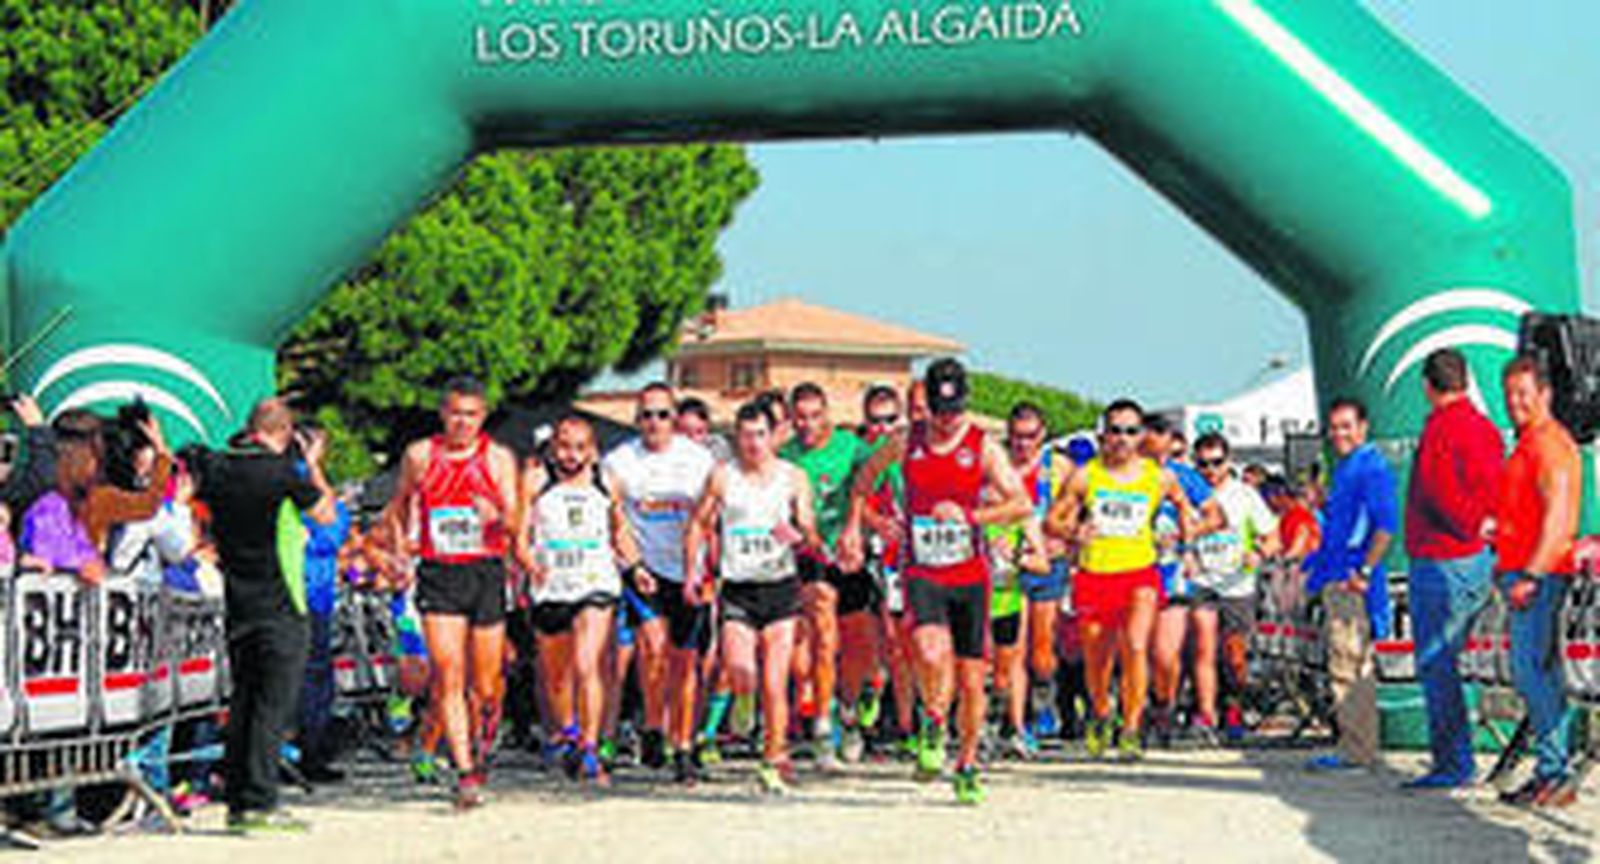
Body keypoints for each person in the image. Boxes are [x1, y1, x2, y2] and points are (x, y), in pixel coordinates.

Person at [841, 358, 1031, 805]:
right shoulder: (905, 441)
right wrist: (861, 523)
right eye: (939, 411)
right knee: (927, 649)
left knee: (970, 678)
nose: (947, 421)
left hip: (970, 575)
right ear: (927, 404)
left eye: (954, 411)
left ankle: (966, 763)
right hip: (922, 568)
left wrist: (971, 516)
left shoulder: (983, 447)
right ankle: (932, 719)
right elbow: (862, 484)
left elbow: (1020, 503)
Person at [192, 397, 336, 833]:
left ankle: (238, 803)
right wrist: (311, 464)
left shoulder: (219, 469)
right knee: (273, 707)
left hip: (239, 601)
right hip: (282, 602)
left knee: (244, 703)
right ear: (288, 434)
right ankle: (260, 803)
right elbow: (326, 515)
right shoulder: (282, 475)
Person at [384, 376, 519, 808]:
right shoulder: (420, 454)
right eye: (455, 413)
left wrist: (495, 514)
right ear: (443, 414)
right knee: (448, 673)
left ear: (483, 417)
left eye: (472, 415)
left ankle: (473, 743)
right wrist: (402, 543)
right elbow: (400, 502)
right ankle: (464, 772)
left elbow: (517, 522)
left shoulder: (497, 459)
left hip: (484, 572)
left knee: (486, 684)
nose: (463, 422)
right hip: (440, 573)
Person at [1046, 399, 1198, 762]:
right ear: (1103, 434)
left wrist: (1185, 542)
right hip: (1096, 574)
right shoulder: (1086, 475)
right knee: (1097, 661)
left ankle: (1131, 728)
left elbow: (1185, 506)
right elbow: (1052, 521)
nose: (1122, 438)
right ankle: (1100, 713)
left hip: (1140, 573)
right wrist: (1074, 531)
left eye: (1131, 431)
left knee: (1135, 646)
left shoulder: (1158, 475)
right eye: (1115, 430)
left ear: (1142, 436)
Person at [686, 401, 820, 793]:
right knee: (742, 671)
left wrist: (799, 537)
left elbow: (810, 530)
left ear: (773, 435)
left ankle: (772, 758)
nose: (753, 443)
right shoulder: (723, 477)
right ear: (736, 438)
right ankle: (743, 701)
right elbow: (698, 524)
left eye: (760, 434)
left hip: (780, 588)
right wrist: (693, 571)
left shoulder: (793, 477)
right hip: (739, 590)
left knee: (776, 682)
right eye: (745, 435)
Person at [518, 415, 641, 787]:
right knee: (556, 677)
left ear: (592, 450)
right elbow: (518, 534)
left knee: (588, 664)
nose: (570, 455)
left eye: (578, 447)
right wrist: (528, 564)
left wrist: (636, 568)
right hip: (552, 586)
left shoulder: (607, 483)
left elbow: (621, 533)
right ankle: (569, 731)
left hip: (596, 583)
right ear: (554, 447)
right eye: (564, 446)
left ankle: (590, 747)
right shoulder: (536, 482)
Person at [602, 383, 716, 783]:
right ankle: (653, 725)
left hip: (690, 572)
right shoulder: (620, 460)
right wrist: (633, 566)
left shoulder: (699, 460)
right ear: (637, 420)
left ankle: (683, 745)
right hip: (645, 570)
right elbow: (614, 518)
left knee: (685, 664)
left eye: (663, 415)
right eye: (646, 415)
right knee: (652, 650)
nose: (655, 423)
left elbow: (713, 518)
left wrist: (708, 571)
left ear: (674, 418)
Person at [1403, 348, 1503, 790]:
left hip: (1442, 557)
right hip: (1478, 556)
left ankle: (1453, 762)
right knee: (1461, 659)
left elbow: (1439, 492)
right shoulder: (1484, 428)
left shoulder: (1439, 429)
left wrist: (1467, 524)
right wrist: (1484, 527)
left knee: (1437, 662)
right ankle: (1466, 754)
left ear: (1427, 387)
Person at [1494, 355, 1581, 807]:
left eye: (1523, 393)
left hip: (1538, 577)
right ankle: (1552, 770)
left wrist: (1531, 572)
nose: (1515, 403)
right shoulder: (1529, 443)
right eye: (1509, 394)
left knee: (1537, 675)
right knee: (1535, 675)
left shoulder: (1549, 445)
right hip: (1525, 573)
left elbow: (1560, 519)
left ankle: (1556, 771)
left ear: (1544, 394)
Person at [781, 382, 879, 768]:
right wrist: (797, 538)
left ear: (828, 416)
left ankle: (850, 711)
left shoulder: (851, 448)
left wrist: (866, 526)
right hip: (810, 558)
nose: (807, 424)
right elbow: (774, 520)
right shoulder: (785, 458)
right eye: (800, 417)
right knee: (824, 635)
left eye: (814, 416)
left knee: (858, 645)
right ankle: (822, 725)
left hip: (850, 555)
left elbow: (875, 482)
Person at [1299, 397, 1397, 772]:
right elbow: (1342, 529)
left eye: (1346, 426)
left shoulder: (1370, 468)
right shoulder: (1347, 469)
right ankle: (1355, 744)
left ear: (1363, 427)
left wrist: (1366, 572)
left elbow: (1385, 526)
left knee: (1349, 665)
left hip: (1352, 581)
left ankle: (1357, 750)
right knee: (1345, 663)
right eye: (1334, 427)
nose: (1339, 434)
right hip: (1338, 576)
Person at [1190, 433, 1279, 743]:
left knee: (1234, 656)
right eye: (1202, 464)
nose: (1210, 470)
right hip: (1202, 582)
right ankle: (1206, 715)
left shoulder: (1245, 495)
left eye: (1216, 463)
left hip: (1238, 583)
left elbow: (1272, 536)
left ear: (1228, 463)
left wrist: (1258, 552)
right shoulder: (1190, 492)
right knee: (1203, 647)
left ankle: (1234, 704)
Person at [1142, 414, 1223, 747]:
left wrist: (1182, 535)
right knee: (1135, 650)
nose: (1159, 451)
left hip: (1171, 573)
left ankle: (1164, 705)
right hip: (1131, 571)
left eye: (1165, 445)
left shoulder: (1186, 477)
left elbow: (1216, 517)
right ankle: (1137, 714)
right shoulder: (1122, 476)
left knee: (1165, 654)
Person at [1003, 402, 1074, 743]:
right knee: (1013, 649)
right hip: (1009, 567)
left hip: (1049, 564)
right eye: (1016, 437)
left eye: (1030, 437)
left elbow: (1079, 508)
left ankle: (1044, 696)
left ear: (1042, 436)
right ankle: (1018, 724)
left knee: (1041, 652)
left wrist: (1066, 539)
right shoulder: (998, 465)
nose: (1023, 444)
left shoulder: (1058, 467)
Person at [860, 384, 918, 754]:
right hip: (877, 558)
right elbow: (854, 500)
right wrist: (874, 521)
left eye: (890, 420)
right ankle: (891, 713)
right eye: (875, 421)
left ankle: (910, 722)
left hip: (917, 558)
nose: (882, 428)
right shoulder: (863, 457)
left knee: (910, 645)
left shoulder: (914, 454)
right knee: (885, 645)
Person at [985, 495, 1051, 759]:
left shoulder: (1022, 520)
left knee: (1006, 670)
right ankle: (981, 731)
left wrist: (1013, 555)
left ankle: (1011, 726)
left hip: (1008, 600)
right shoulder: (972, 519)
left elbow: (1042, 564)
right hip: (975, 600)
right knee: (977, 668)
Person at [296, 485, 353, 784]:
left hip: (318, 600)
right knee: (303, 680)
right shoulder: (282, 497)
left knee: (319, 680)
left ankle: (314, 752)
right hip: (291, 599)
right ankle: (303, 751)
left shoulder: (330, 504)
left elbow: (332, 535)